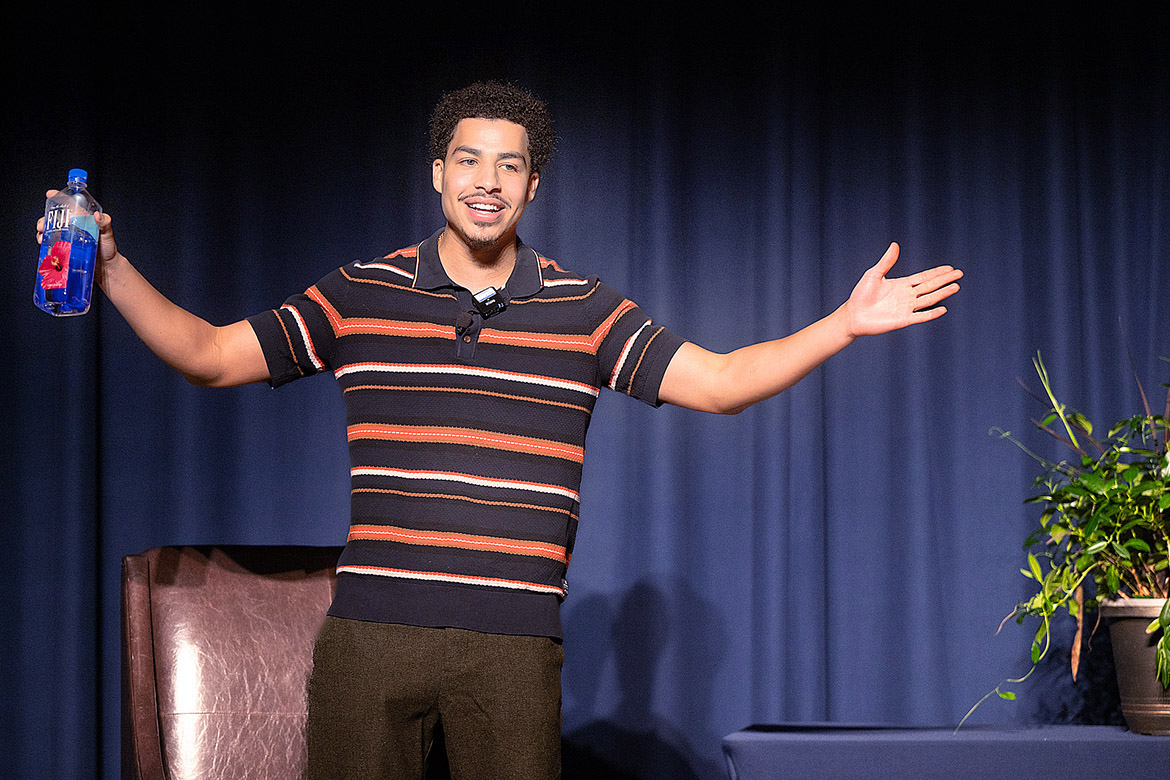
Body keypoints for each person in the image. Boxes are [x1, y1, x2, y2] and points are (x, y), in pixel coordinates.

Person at [39, 82, 962, 779]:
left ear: (533, 185)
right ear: (437, 173)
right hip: (371, 639)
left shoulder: (584, 308)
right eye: (469, 161)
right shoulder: (361, 293)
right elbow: (205, 353)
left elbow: (719, 384)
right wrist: (110, 267)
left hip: (513, 651)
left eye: (509, 165)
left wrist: (840, 326)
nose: (487, 182)